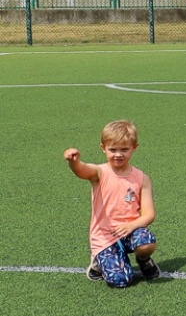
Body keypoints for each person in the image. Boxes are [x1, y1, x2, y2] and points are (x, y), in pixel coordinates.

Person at [65, 119, 158, 287]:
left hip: (130, 232)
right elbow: (82, 170)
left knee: (146, 240)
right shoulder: (100, 172)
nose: (118, 154)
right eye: (112, 149)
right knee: (121, 280)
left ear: (134, 148)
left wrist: (131, 226)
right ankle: (98, 262)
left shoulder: (142, 178)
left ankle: (143, 260)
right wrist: (73, 162)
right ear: (103, 148)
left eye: (124, 149)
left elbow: (149, 214)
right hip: (105, 237)